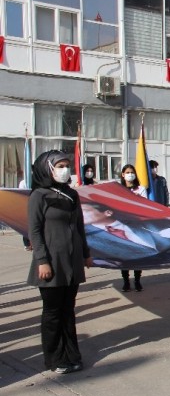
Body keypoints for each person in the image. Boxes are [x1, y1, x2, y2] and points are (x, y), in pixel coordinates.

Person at [27, 150, 93, 374]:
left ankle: (72, 356)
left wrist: (85, 253)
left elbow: (80, 227)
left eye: (67, 165)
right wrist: (42, 260)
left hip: (72, 261)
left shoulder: (72, 195)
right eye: (60, 166)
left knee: (68, 310)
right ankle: (54, 359)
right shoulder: (39, 195)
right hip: (51, 262)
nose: (65, 170)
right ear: (48, 169)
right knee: (53, 312)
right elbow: (34, 231)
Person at [119, 164, 147, 291]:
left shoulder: (140, 189)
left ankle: (137, 280)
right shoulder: (118, 189)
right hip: (122, 225)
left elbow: (143, 205)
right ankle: (126, 280)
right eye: (127, 172)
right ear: (123, 175)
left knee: (137, 254)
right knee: (124, 255)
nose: (130, 174)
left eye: (132, 172)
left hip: (137, 226)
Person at [18, 177, 33, 251]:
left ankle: (32, 244)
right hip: (25, 205)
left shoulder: (36, 181)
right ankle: (27, 244)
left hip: (33, 204)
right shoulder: (23, 182)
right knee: (26, 226)